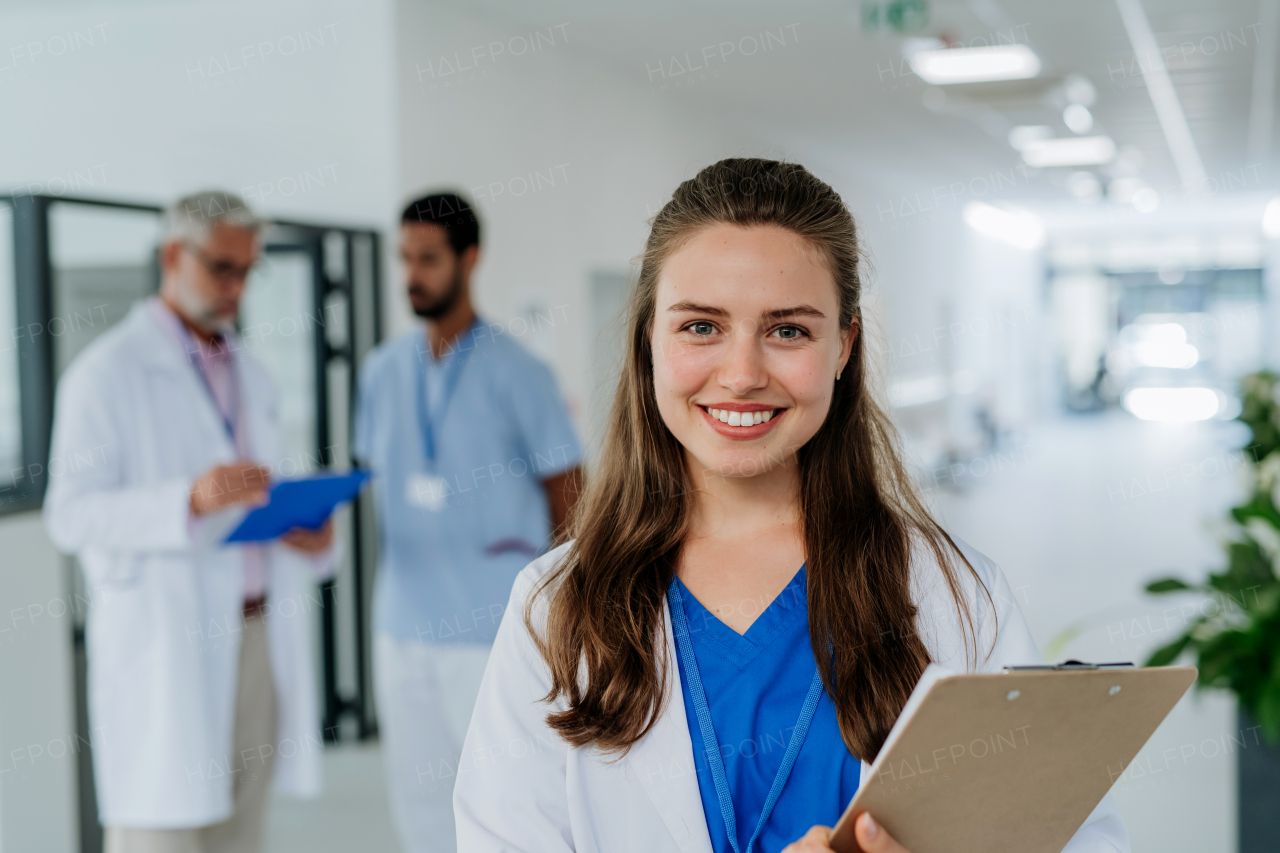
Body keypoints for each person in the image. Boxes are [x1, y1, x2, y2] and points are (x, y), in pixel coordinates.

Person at [453, 159, 1131, 853]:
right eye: (700, 327)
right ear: (649, 341)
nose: (743, 374)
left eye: (788, 331)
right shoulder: (553, 607)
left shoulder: (956, 594)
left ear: (844, 346)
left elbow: (1078, 837)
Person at [43, 190, 336, 853]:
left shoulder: (253, 374)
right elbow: (71, 513)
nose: (236, 287)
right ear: (173, 255)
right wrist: (186, 501)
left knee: (241, 831)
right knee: (162, 831)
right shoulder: (105, 374)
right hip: (166, 644)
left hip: (257, 636)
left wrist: (311, 535)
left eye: (246, 271)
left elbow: (263, 494)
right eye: (221, 268)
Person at [354, 191, 583, 852]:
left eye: (427, 258)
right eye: (405, 258)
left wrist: (563, 613)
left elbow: (569, 490)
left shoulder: (519, 371)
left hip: (490, 625)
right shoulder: (381, 371)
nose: (411, 275)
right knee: (419, 799)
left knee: (503, 799)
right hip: (401, 622)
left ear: (468, 258)